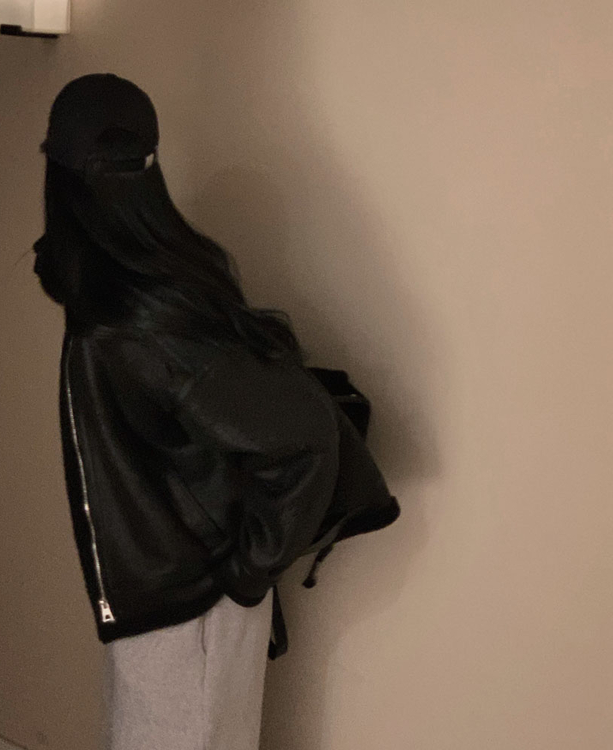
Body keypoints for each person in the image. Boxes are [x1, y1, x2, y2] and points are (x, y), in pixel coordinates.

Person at [32, 73, 396, 750]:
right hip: (166, 604)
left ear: (59, 175)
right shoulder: (121, 288)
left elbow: (307, 437)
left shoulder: (140, 317)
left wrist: (245, 574)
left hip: (190, 612)